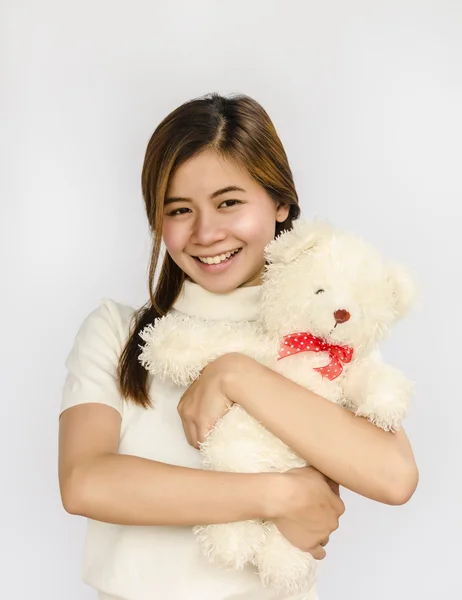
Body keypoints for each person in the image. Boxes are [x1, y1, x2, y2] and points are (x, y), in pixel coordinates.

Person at [58, 92, 419, 600]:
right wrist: (279, 495)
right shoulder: (118, 332)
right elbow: (85, 483)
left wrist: (236, 375)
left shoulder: (326, 329)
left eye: (229, 202)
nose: (206, 232)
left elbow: (394, 476)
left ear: (280, 202)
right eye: (179, 210)